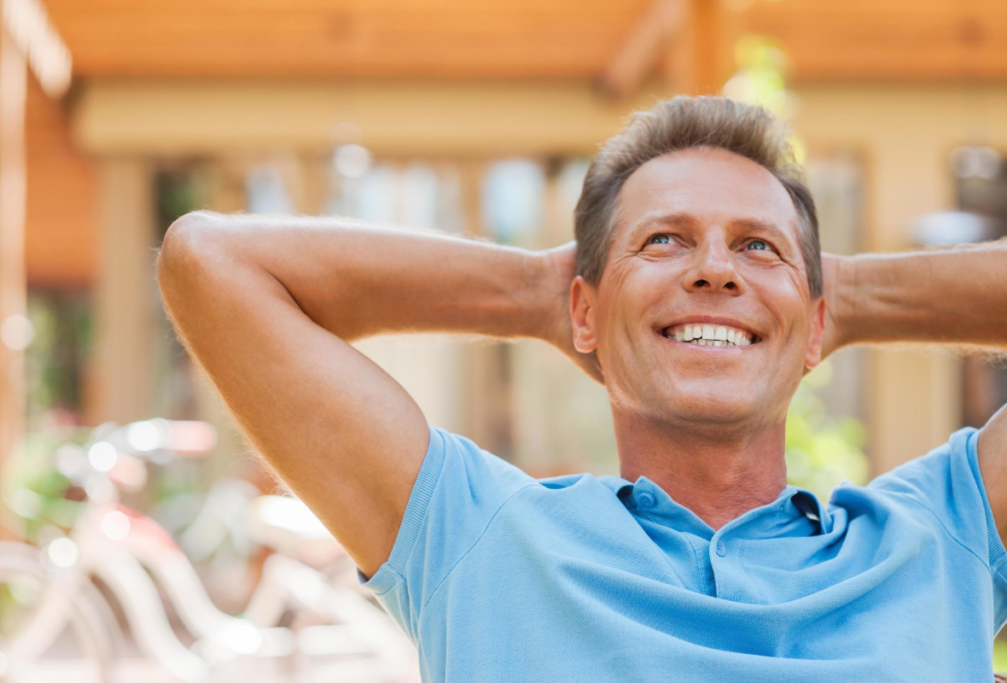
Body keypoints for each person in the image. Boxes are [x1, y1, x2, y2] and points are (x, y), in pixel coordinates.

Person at [156, 96, 1007, 682]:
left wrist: (836, 297)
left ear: (820, 323)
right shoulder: (480, 534)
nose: (714, 267)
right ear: (583, 312)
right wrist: (543, 294)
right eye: (666, 240)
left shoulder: (943, 533)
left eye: (756, 246)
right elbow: (212, 263)